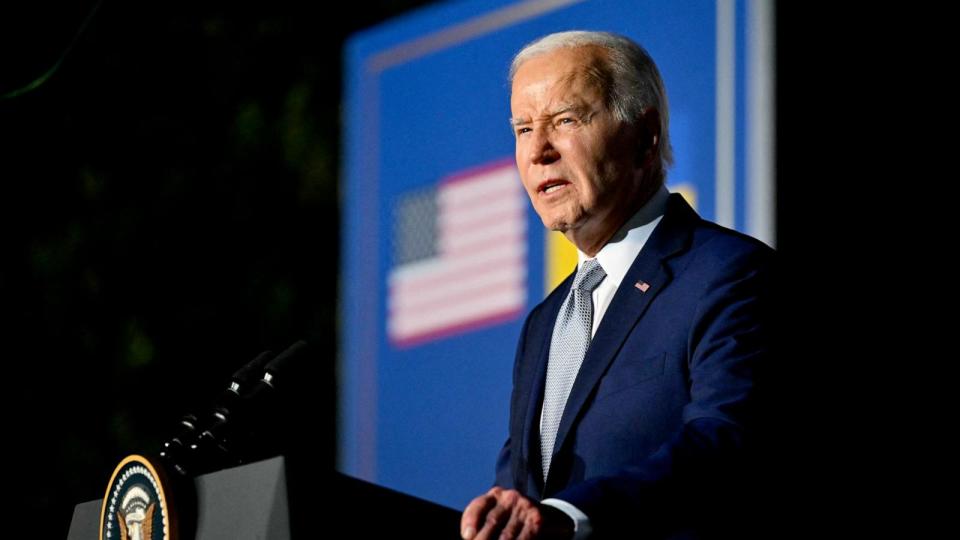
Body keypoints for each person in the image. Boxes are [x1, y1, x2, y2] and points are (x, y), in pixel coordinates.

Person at [460, 31, 776, 539]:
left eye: (565, 120)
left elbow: (727, 439)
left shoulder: (728, 274)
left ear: (645, 137)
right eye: (523, 129)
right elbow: (520, 495)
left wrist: (570, 516)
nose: (538, 151)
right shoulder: (545, 323)